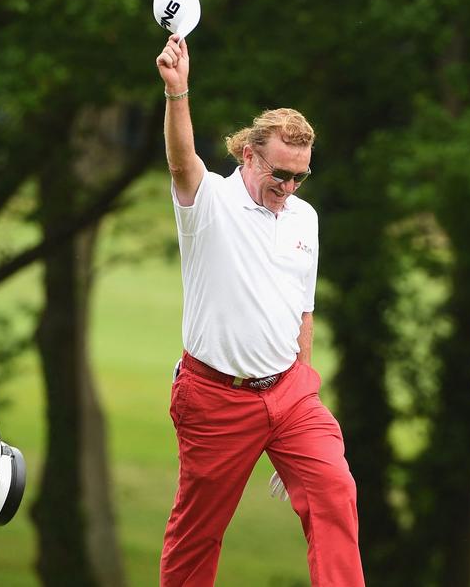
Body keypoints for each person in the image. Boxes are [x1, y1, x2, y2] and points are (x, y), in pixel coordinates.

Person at [155, 34, 364, 586]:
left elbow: (304, 312)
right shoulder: (210, 203)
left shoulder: (304, 218)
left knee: (335, 489)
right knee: (198, 530)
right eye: (281, 174)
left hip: (290, 392)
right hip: (215, 396)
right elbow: (181, 163)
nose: (289, 188)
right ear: (249, 154)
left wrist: (304, 391)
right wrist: (178, 93)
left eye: (300, 177)